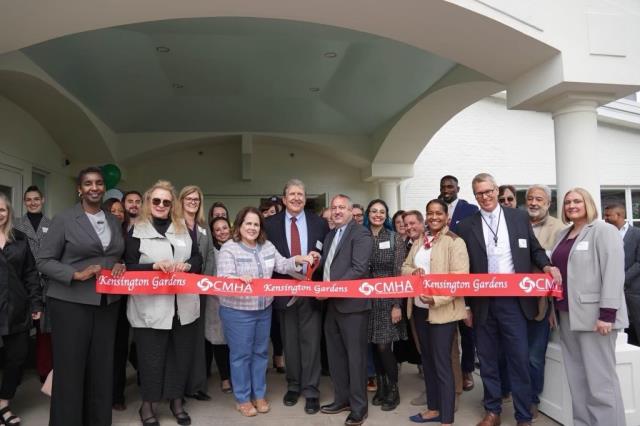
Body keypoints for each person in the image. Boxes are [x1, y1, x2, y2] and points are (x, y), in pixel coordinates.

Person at [455, 173, 561, 426]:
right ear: (475, 196)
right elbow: (463, 268)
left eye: (489, 191)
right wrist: (466, 305)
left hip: (514, 302)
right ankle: (492, 411)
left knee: (519, 359)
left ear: (496, 190)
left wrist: (547, 266)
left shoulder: (518, 217)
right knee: (488, 360)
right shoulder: (466, 226)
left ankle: (523, 415)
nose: (485, 197)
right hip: (482, 303)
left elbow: (534, 249)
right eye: (479, 193)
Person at [37, 166, 126, 426]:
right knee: (71, 371)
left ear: (104, 187)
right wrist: (76, 274)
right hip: (70, 303)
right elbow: (43, 261)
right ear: (79, 189)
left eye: (99, 183)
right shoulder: (64, 219)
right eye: (88, 183)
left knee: (101, 369)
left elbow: (112, 254)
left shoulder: (113, 220)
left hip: (107, 303)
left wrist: (119, 264)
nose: (94, 188)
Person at [216, 207, 317, 417]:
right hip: (238, 311)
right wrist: (237, 279)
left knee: (261, 353)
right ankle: (243, 399)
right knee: (241, 356)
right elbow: (223, 278)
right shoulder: (229, 248)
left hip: (263, 309)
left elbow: (282, 265)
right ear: (239, 225)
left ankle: (259, 394)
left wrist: (300, 259)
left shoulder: (267, 246)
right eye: (248, 223)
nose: (252, 228)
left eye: (256, 224)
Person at [124, 180, 203, 426]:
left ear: (172, 205)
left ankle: (176, 402)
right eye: (156, 200)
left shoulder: (183, 228)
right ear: (148, 202)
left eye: (166, 202)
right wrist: (153, 267)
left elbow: (198, 258)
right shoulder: (135, 231)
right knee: (152, 360)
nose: (161, 205)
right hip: (150, 309)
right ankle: (147, 406)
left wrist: (188, 266)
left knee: (180, 357)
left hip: (183, 308)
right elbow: (128, 267)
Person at [551, 188, 627, 426]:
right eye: (567, 202)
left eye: (577, 201)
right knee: (578, 380)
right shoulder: (562, 234)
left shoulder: (603, 230)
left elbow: (613, 273)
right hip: (566, 315)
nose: (571, 205)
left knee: (600, 383)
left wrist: (607, 314)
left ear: (588, 204)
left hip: (596, 318)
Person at [264, 179, 329, 414]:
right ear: (284, 199)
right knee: (289, 342)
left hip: (311, 292)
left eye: (300, 194)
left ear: (305, 198)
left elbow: (327, 254)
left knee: (311, 343)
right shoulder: (269, 224)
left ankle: (311, 390)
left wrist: (319, 259)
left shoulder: (319, 223)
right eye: (292, 194)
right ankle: (293, 385)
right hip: (284, 292)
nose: (296, 198)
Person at [403, 199, 469, 425]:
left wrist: (436, 298)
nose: (434, 217)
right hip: (419, 310)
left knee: (442, 364)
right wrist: (413, 272)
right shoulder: (419, 241)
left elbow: (460, 279)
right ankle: (433, 409)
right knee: (428, 362)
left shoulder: (455, 242)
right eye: (430, 213)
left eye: (438, 213)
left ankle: (447, 418)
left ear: (446, 216)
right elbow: (404, 267)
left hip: (443, 311)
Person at [319, 194, 373, 426]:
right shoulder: (330, 235)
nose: (337, 211)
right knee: (336, 357)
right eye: (334, 208)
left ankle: (359, 408)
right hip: (332, 306)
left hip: (353, 307)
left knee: (355, 359)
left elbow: (359, 269)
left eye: (342, 207)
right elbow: (328, 266)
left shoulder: (361, 233)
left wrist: (330, 289)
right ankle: (341, 399)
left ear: (351, 211)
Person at [0, 193, 43, 426]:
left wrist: (36, 303)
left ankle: (3, 404)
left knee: (17, 357)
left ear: (9, 212)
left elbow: (30, 273)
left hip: (17, 308)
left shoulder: (20, 238)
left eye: (2, 209)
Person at [525, 184, 565, 419]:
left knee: (534, 356)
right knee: (514, 354)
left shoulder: (560, 229)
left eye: (539, 199)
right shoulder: (517, 223)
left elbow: (560, 271)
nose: (533, 202)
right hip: (514, 301)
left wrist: (553, 307)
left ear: (548, 203)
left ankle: (532, 400)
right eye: (530, 198)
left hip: (541, 304)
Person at [363, 199, 407, 411]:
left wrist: (397, 305)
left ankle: (393, 389)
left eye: (382, 212)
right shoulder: (361, 236)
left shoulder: (393, 237)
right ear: (368, 214)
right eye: (374, 211)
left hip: (388, 299)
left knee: (383, 346)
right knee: (374, 345)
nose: (377, 215)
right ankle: (381, 388)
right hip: (366, 299)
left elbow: (399, 273)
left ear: (386, 215)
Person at [439, 175, 479, 393]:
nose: (446, 190)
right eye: (443, 187)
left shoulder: (470, 209)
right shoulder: (436, 209)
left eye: (450, 187)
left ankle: (467, 370)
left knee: (467, 329)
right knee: (446, 331)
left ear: (458, 188)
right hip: (442, 277)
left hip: (464, 274)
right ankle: (449, 374)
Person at [178, 185, 216, 402]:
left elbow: (210, 254)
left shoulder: (203, 226)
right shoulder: (174, 224)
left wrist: (204, 283)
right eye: (189, 198)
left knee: (197, 339)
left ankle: (196, 385)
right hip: (179, 290)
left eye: (196, 199)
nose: (193, 202)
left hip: (199, 290)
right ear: (181, 201)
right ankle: (178, 387)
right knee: (181, 339)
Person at [13, 185, 52, 383]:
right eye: (29, 199)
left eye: (36, 199)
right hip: (22, 284)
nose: (33, 202)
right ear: (24, 202)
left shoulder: (53, 225)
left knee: (44, 331)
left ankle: (45, 370)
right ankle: (15, 373)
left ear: (42, 200)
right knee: (19, 332)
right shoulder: (15, 225)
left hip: (46, 285)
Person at [101, 197, 131, 411]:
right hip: (100, 300)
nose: (118, 213)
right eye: (113, 210)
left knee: (120, 347)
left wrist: (124, 264)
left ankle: (117, 395)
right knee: (101, 349)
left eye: (121, 210)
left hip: (122, 300)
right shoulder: (98, 235)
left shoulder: (129, 236)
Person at [605, 203, 640, 345]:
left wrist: (621, 279)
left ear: (618, 215)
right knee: (620, 332)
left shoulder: (637, 234)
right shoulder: (605, 235)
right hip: (611, 292)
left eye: (608, 215)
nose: (605, 218)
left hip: (634, 291)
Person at [205, 216, 232, 393]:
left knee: (235, 342)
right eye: (217, 230)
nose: (222, 232)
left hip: (236, 302)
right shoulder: (211, 252)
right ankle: (225, 378)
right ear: (213, 234)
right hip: (214, 302)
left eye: (224, 228)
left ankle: (236, 376)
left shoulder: (239, 247)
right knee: (219, 340)